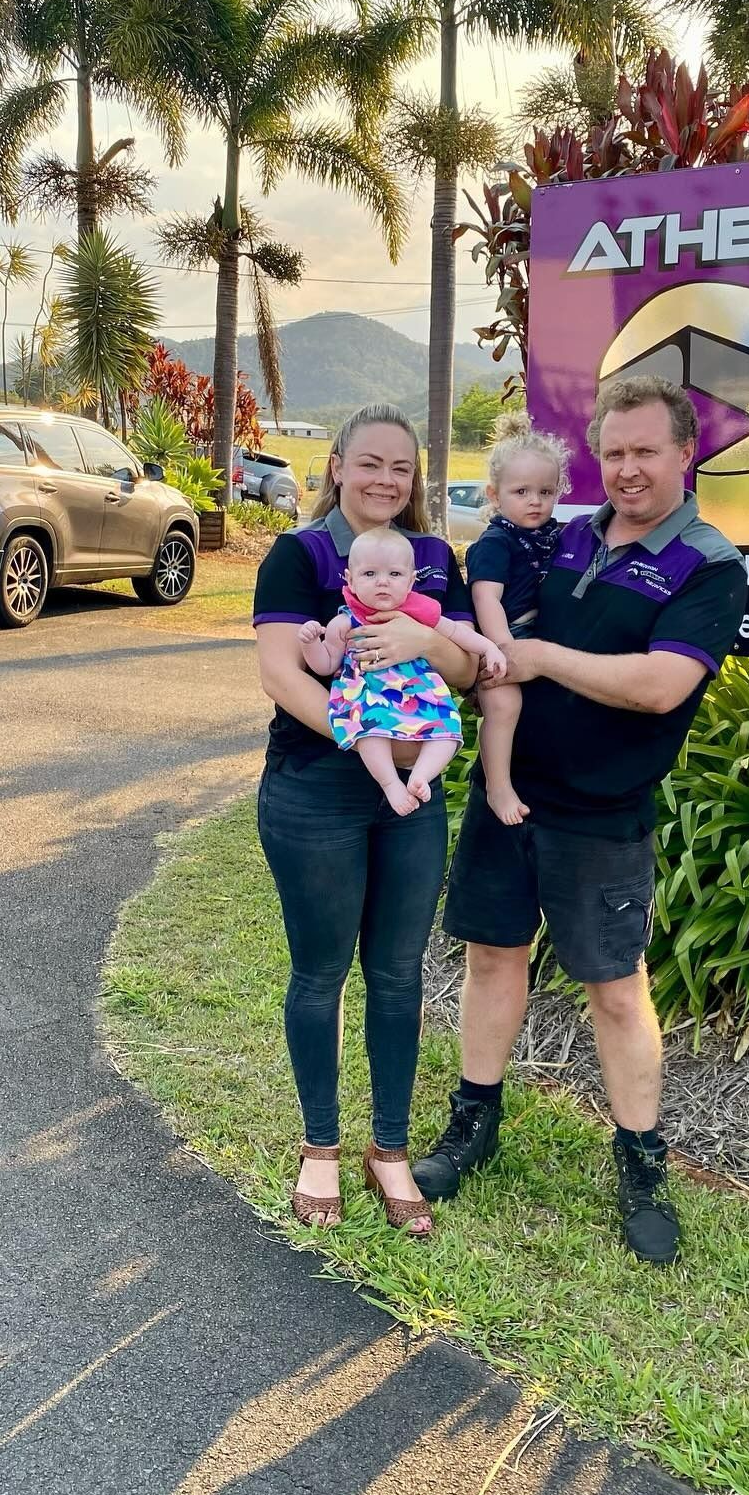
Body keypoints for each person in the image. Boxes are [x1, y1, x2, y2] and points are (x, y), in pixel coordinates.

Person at [413, 374, 748, 1264]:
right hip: (507, 794)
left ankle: (642, 1163)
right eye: (614, 452)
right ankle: (473, 1122)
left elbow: (660, 685)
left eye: (646, 451)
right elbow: (483, 624)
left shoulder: (707, 563)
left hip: (603, 815)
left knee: (614, 988)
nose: (628, 469)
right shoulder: (558, 537)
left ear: (686, 454)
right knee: (492, 956)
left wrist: (542, 656)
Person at [252, 404, 480, 1238]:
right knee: (320, 974)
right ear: (338, 466)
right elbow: (283, 674)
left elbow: (458, 670)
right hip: (316, 790)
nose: (388, 481)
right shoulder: (299, 555)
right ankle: (321, 1144)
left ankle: (389, 1148)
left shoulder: (431, 561)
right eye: (371, 463)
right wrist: (362, 736)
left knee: (397, 974)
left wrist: (425, 646)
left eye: (402, 468)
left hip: (411, 796)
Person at [299, 527, 505, 816]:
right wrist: (310, 644)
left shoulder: (421, 611)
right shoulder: (345, 622)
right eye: (370, 574)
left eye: (394, 575)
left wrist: (489, 649)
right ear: (351, 580)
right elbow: (326, 664)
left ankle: (422, 774)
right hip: (369, 693)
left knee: (447, 729)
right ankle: (390, 783)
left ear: (410, 581)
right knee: (369, 732)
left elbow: (458, 632)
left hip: (419, 691)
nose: (382, 582)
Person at [465, 411, 569, 827]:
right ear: (495, 494)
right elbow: (486, 598)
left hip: (541, 637)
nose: (535, 501)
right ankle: (497, 785)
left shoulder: (555, 535)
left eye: (546, 491)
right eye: (521, 491)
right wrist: (501, 650)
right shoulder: (495, 542)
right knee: (503, 703)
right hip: (502, 638)